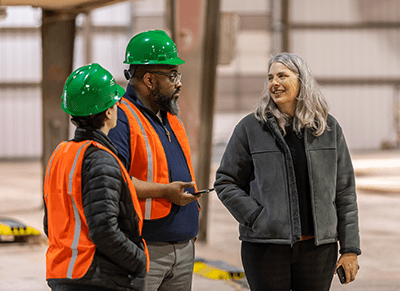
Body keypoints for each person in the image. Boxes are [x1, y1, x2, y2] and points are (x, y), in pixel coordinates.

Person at [214, 52, 361, 291]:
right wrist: (255, 216)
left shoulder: (328, 128)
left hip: (318, 249)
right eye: (270, 77)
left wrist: (350, 249)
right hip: (266, 248)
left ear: (302, 81)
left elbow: (344, 192)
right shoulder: (250, 128)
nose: (275, 83)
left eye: (282, 75)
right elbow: (226, 182)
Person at [43, 63, 149, 291]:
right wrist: (139, 262)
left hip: (62, 274)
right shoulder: (100, 160)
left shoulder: (61, 154)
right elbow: (104, 231)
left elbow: (50, 224)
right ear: (109, 111)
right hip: (96, 277)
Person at [108, 30, 200, 291]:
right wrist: (164, 191)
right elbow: (115, 181)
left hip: (182, 247)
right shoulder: (121, 118)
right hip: (145, 249)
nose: (179, 83)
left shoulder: (169, 118)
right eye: (173, 76)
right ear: (149, 79)